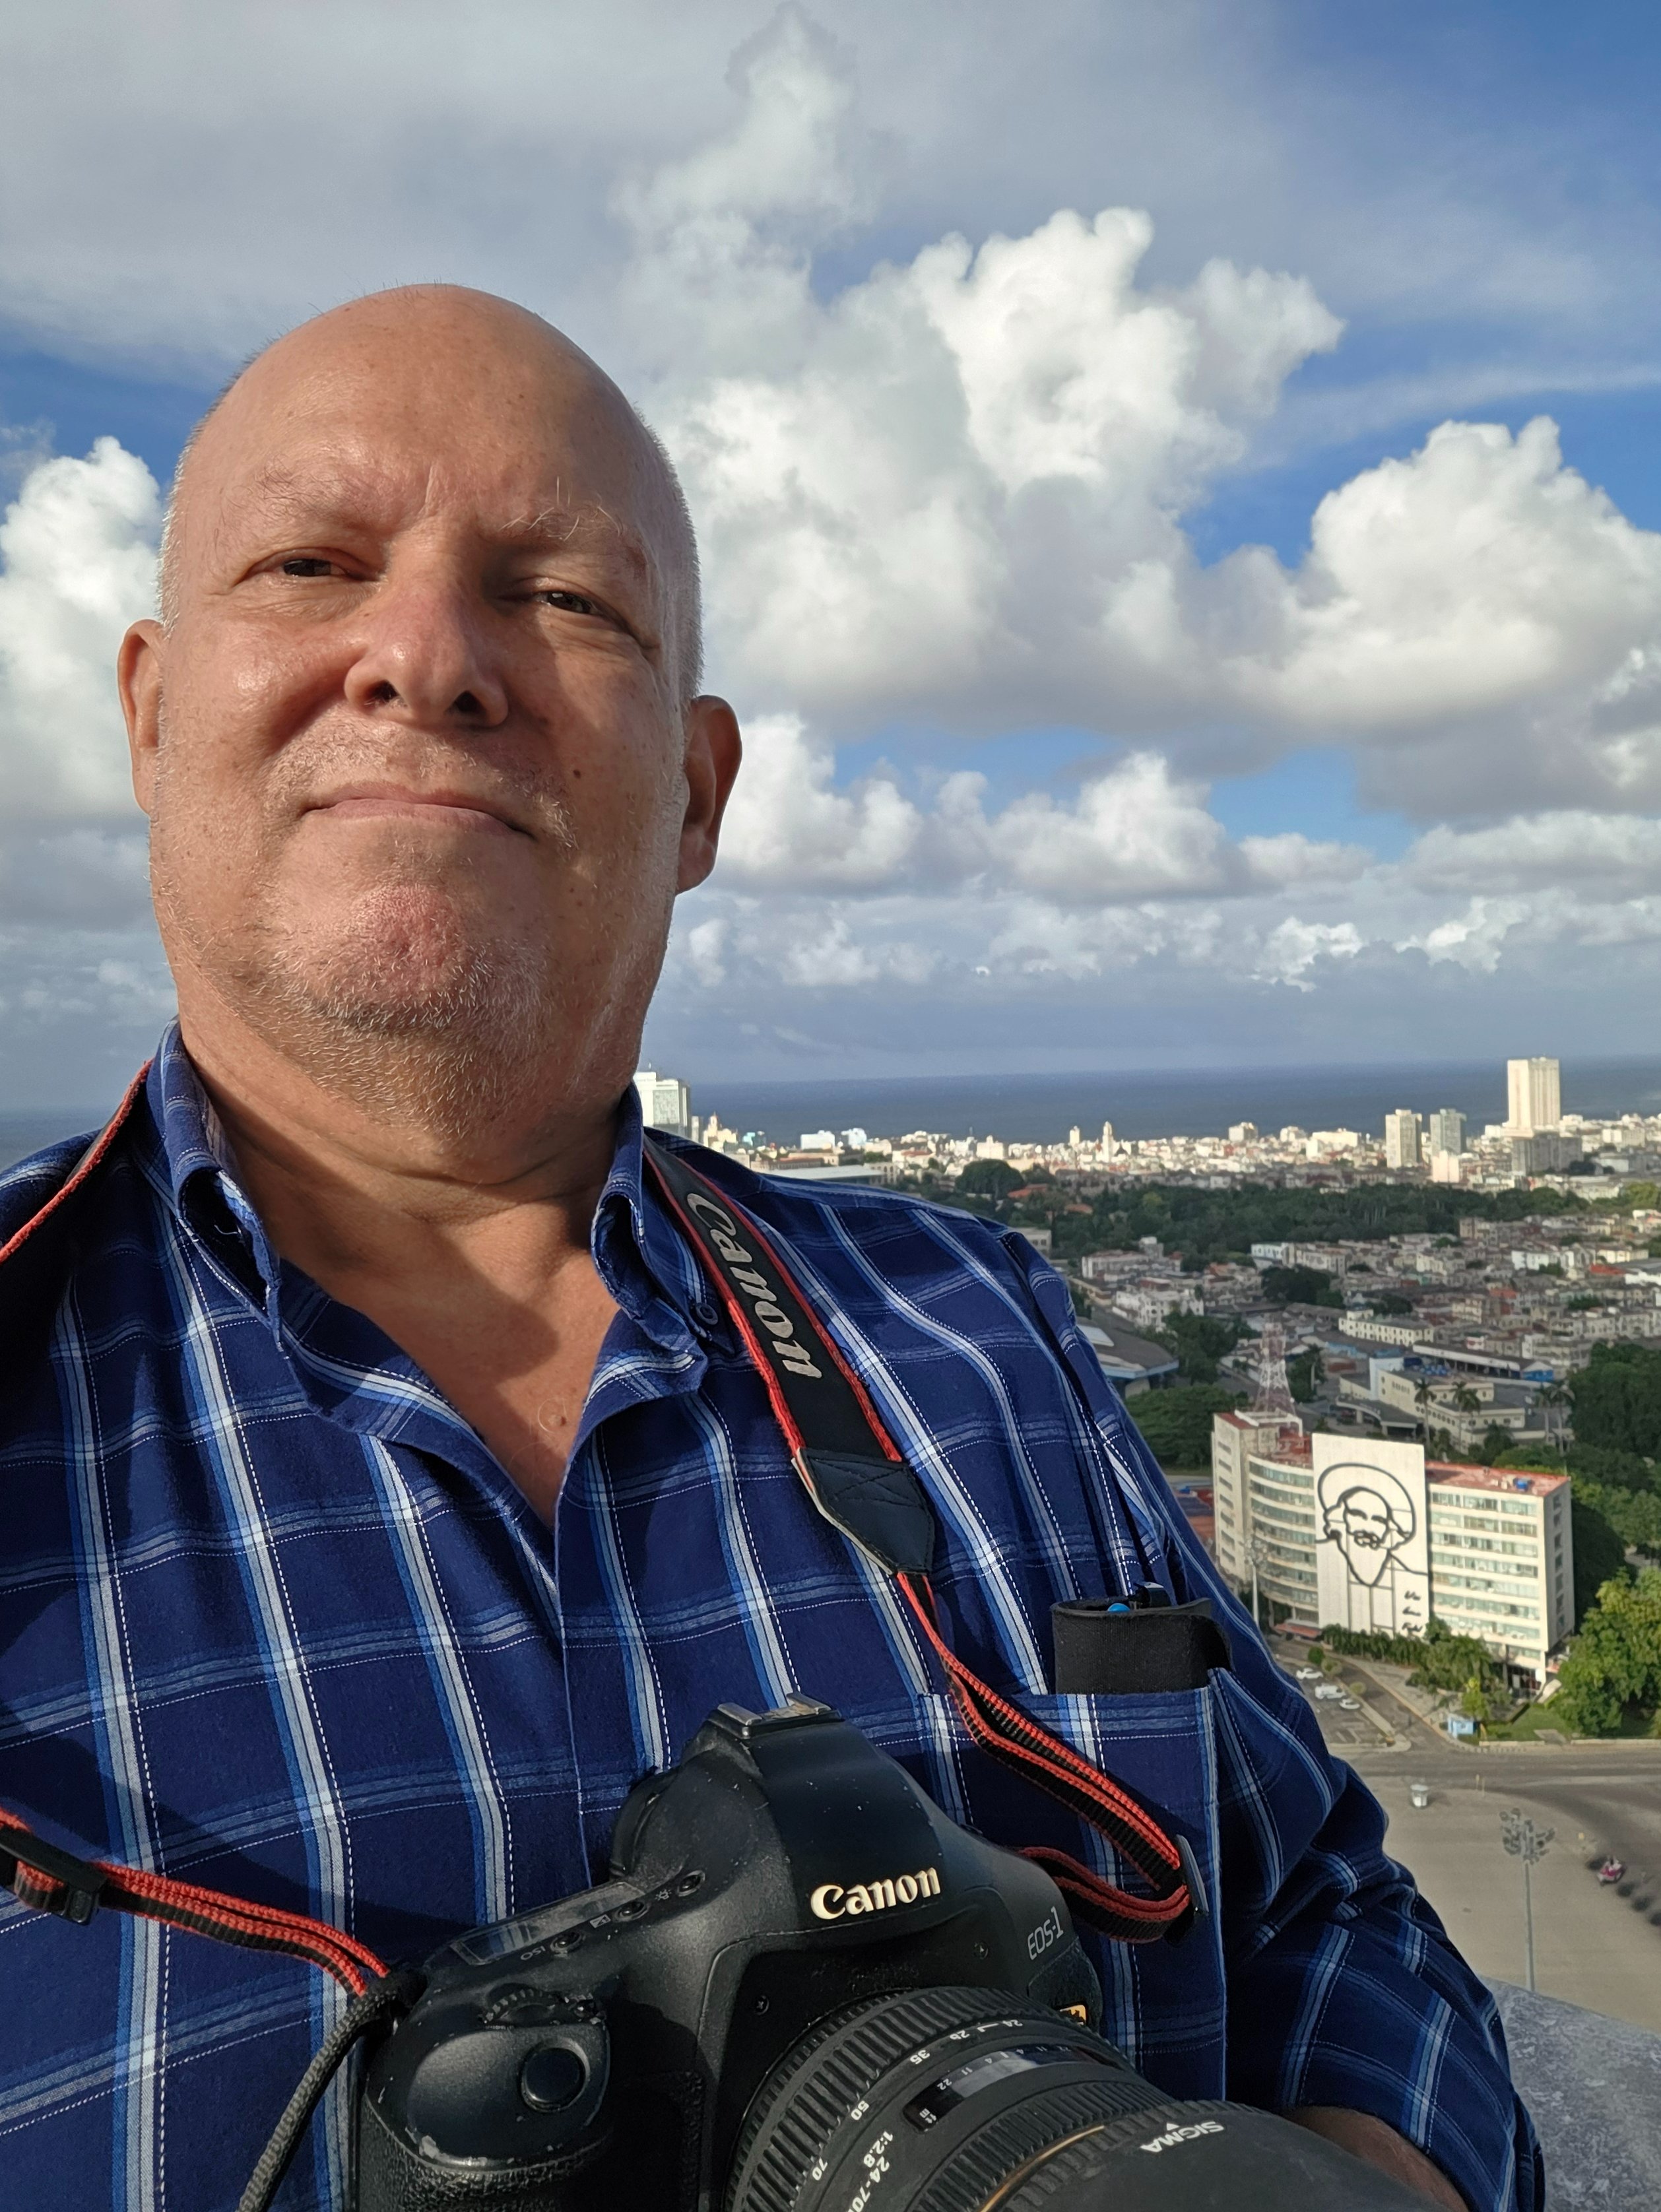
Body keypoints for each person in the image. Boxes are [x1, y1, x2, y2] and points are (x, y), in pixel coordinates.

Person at [0, 286, 1532, 2212]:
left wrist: (1350, 2178)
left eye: (564, 598)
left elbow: (1325, 1903)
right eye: (312, 564)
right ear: (148, 712)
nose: (427, 655)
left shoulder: (975, 1334)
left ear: (704, 791)